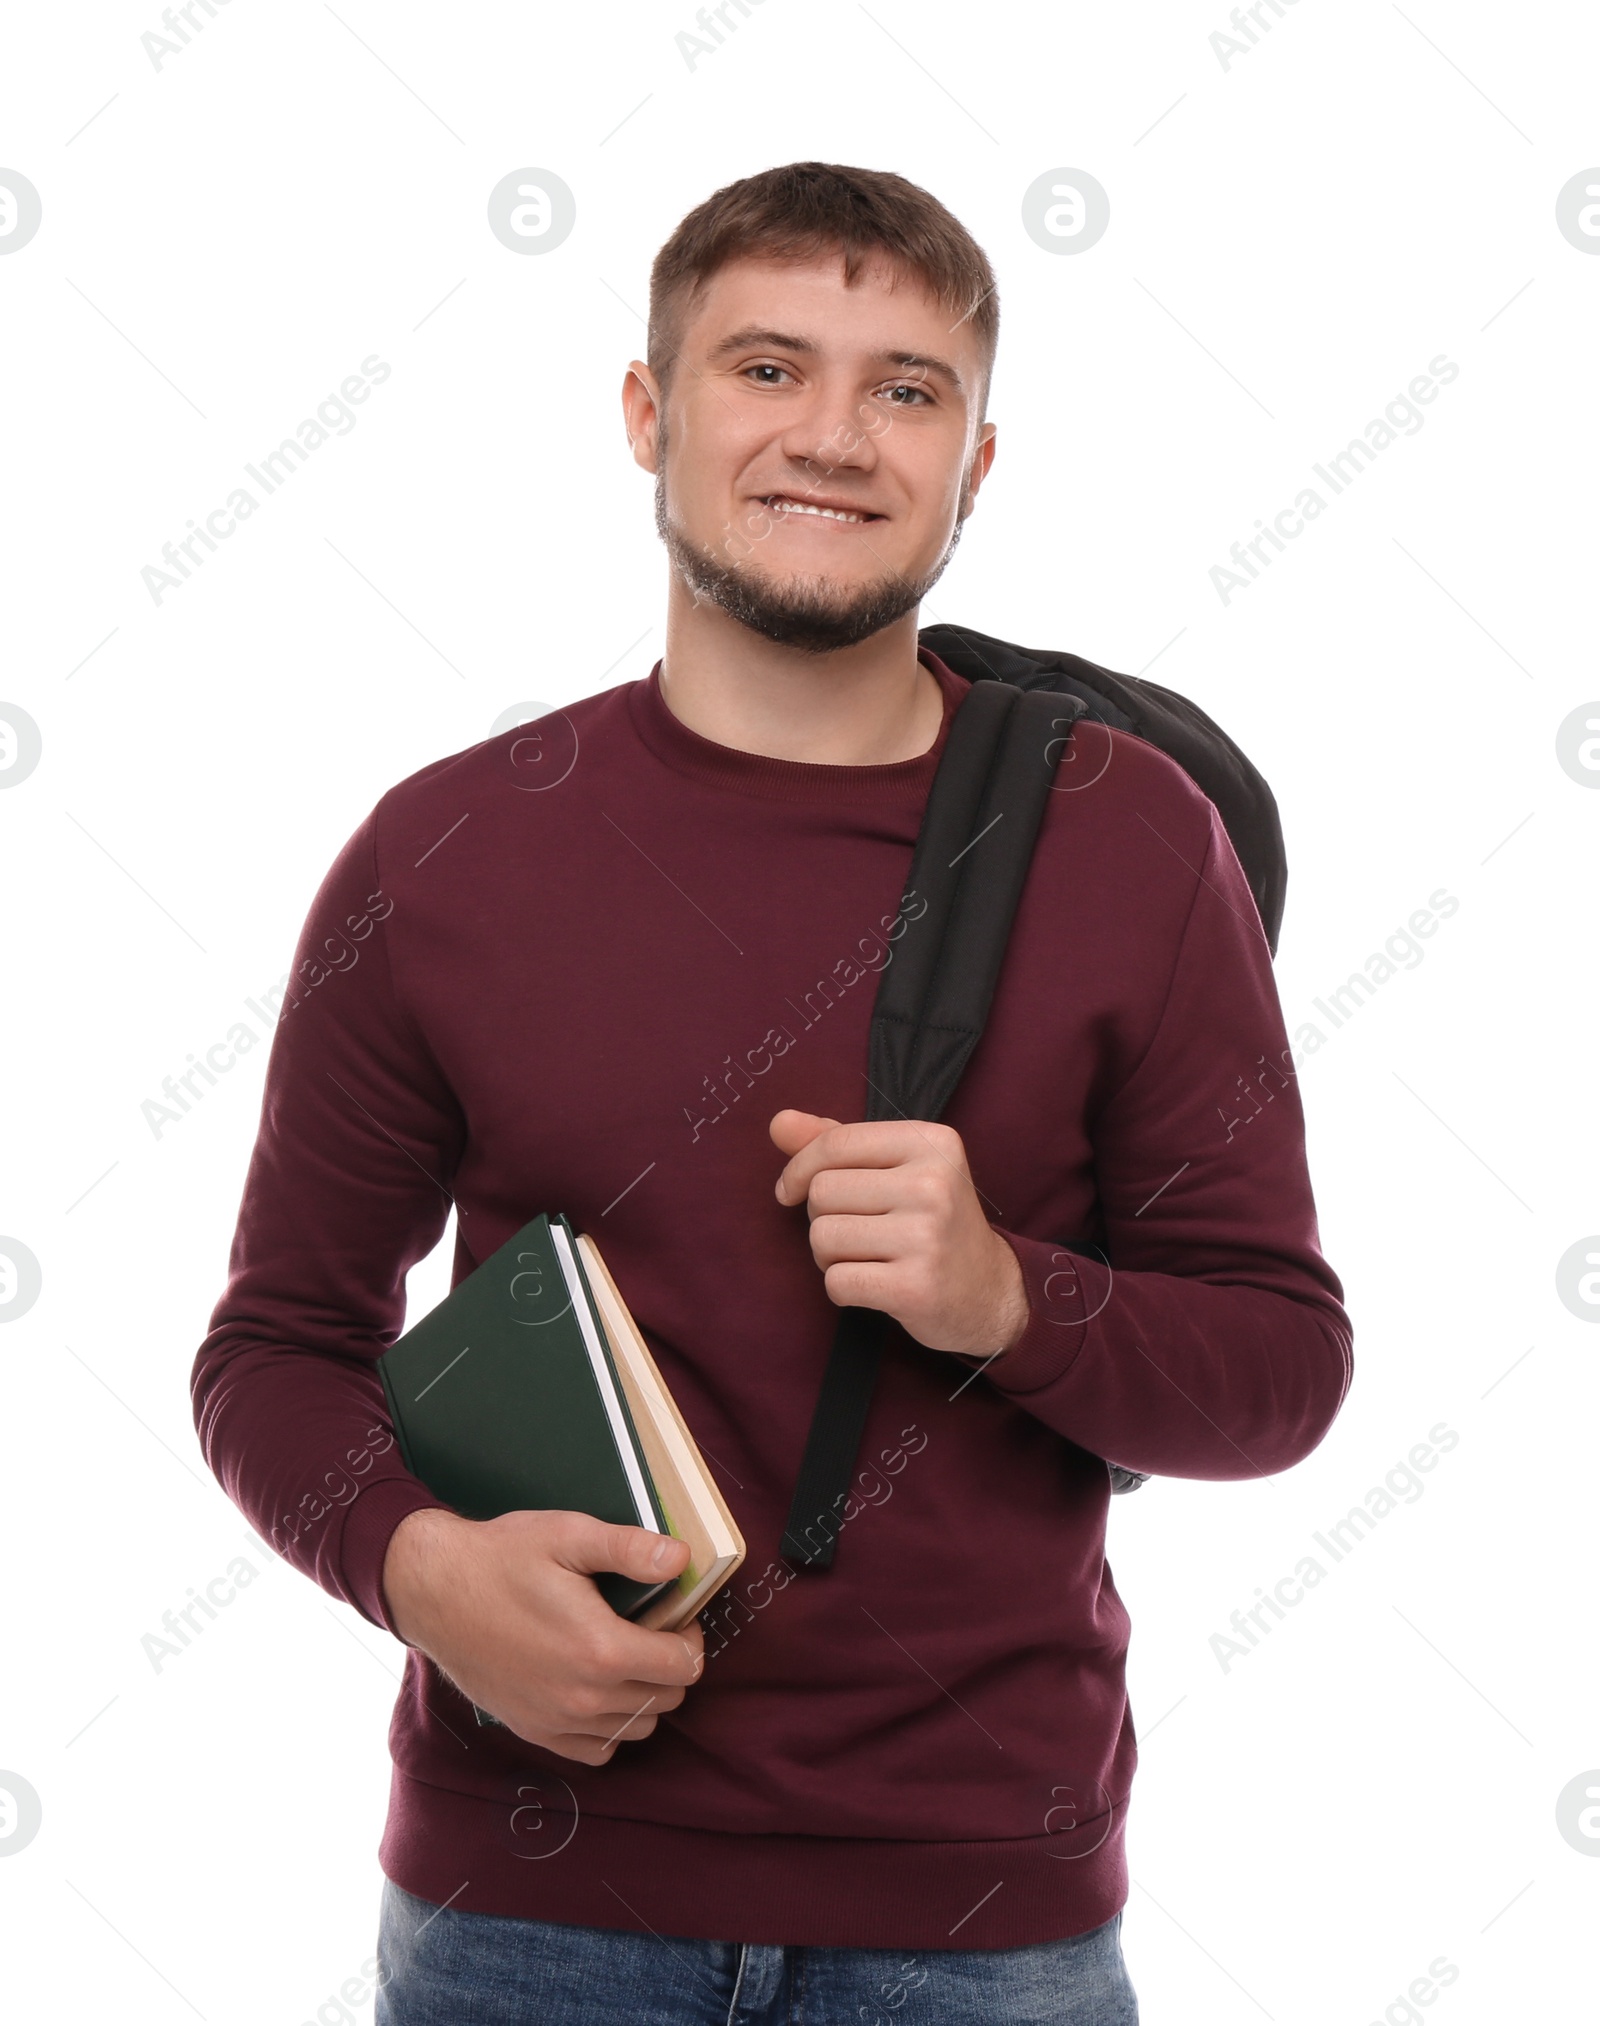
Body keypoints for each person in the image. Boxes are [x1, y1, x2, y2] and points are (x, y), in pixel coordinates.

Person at [192, 160, 1353, 2024]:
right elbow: (274, 1343)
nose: (837, 436)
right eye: (766, 369)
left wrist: (1005, 1296)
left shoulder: (1136, 845)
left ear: (978, 464)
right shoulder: (447, 852)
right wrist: (421, 1573)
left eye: (908, 388)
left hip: (985, 1923)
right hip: (526, 1910)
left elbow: (1283, 1366)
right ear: (650, 416)